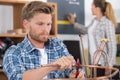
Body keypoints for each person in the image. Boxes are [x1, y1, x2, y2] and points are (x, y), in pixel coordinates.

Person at [3, 1, 84, 80]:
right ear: (26, 24)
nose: (46, 29)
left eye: (48, 24)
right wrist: (52, 66)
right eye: (40, 24)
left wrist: (76, 74)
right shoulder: (14, 52)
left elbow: (74, 69)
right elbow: (18, 78)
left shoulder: (58, 45)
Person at [68, 0, 117, 76]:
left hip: (103, 63)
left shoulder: (107, 23)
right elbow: (85, 30)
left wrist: (109, 65)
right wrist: (74, 23)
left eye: (92, 6)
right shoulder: (94, 21)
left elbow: (112, 46)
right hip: (94, 61)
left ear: (97, 8)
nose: (91, 8)